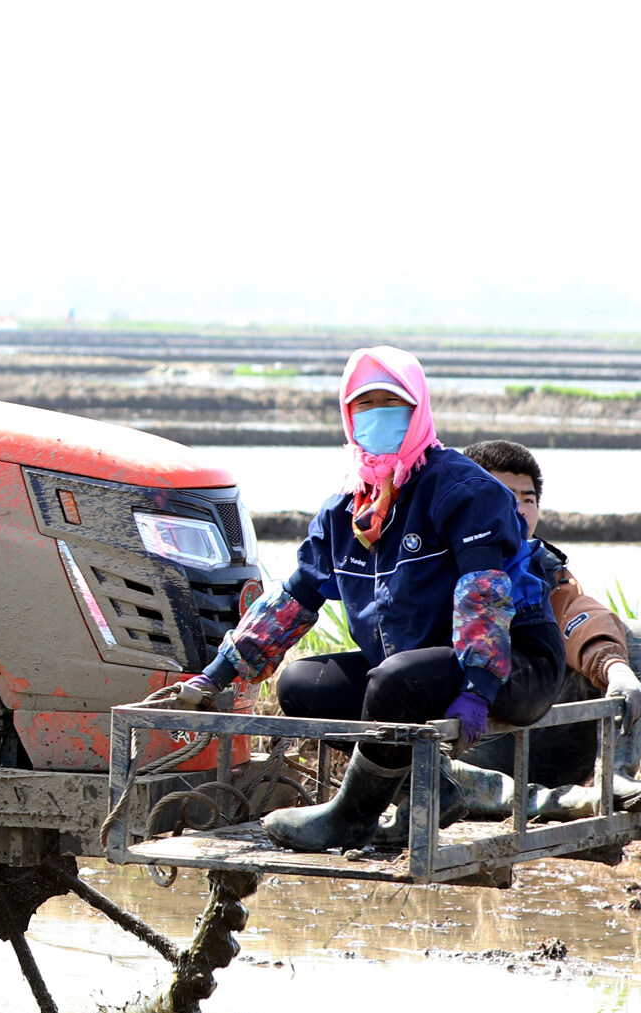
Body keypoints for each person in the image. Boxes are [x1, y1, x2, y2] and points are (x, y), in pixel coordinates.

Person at [140, 347, 566, 852]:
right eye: (364, 406)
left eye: (393, 403)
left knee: (393, 682)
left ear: (418, 410)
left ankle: (352, 816)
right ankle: (432, 788)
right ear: (348, 417)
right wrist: (215, 676)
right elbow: (292, 601)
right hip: (418, 669)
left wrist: (477, 687)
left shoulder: (459, 489)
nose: (377, 416)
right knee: (303, 685)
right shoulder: (348, 510)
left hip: (512, 662)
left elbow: (485, 597)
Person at [464, 439, 641, 800]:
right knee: (428, 761)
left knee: (635, 636)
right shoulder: (437, 563)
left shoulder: (541, 568)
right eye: (506, 497)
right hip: (467, 733)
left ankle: (614, 774)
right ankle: (554, 803)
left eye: (528, 499)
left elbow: (576, 614)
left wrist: (614, 666)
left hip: (532, 725)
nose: (521, 510)